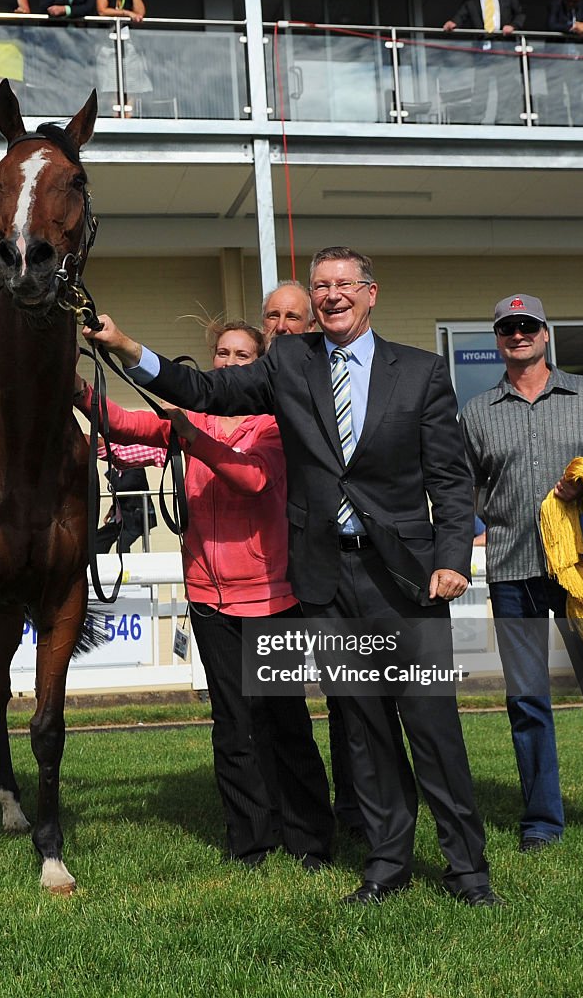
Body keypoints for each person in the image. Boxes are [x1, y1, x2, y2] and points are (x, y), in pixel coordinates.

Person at [83, 247, 499, 907]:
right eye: (320, 286)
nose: (330, 295)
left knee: (430, 727)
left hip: (404, 577)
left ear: (370, 294)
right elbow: (205, 391)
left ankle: (467, 873)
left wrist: (452, 558)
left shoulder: (419, 372)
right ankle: (385, 867)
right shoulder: (286, 364)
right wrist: (127, 347)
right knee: (362, 732)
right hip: (327, 575)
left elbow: (450, 480)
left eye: (342, 285)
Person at [75, 320, 334, 870]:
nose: (231, 362)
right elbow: (123, 424)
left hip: (270, 597)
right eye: (222, 352)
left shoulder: (276, 421)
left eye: (243, 353)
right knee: (232, 725)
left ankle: (310, 838)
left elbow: (255, 480)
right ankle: (251, 843)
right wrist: (78, 389)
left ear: (261, 363)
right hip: (209, 596)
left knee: (283, 722)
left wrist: (194, 439)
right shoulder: (191, 418)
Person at [461, 293, 583, 851]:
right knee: (526, 699)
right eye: (507, 328)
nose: (517, 335)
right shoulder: (476, 414)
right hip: (513, 569)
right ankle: (543, 823)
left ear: (545, 334)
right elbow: (462, 490)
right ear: (498, 340)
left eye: (527, 326)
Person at [260, 280, 362, 839]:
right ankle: (294, 814)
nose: (281, 326)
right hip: (272, 579)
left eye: (293, 316)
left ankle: (354, 809)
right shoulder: (258, 381)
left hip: (328, 566)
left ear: (314, 325)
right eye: (272, 316)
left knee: (350, 699)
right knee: (281, 705)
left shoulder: (329, 380)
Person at [441, 0, 526, 126]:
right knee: (481, 86)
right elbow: (460, 17)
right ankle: (476, 121)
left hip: (503, 46)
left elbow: (520, 14)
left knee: (505, 85)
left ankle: (504, 121)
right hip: (482, 48)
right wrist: (452, 23)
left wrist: (513, 26)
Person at [95, 0, 149, 117]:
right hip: (108, 46)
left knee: (131, 86)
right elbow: (102, 10)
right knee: (112, 88)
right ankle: (116, 119)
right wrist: (126, 13)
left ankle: (129, 120)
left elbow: (141, 13)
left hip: (128, 47)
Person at [94, 465, 155, 553]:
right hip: (122, 518)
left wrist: (111, 472)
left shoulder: (135, 469)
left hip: (137, 518)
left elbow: (121, 487)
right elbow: (123, 497)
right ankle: (100, 563)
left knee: (122, 544)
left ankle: (125, 566)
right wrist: (112, 510)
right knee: (98, 539)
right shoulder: (121, 471)